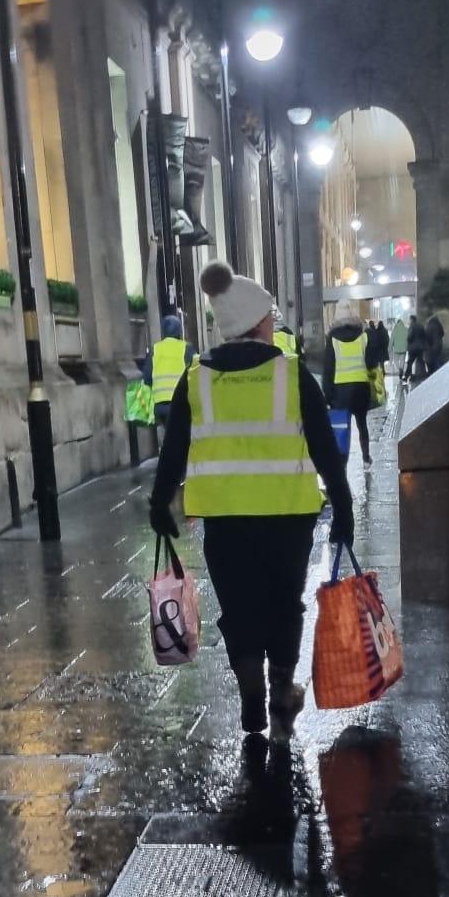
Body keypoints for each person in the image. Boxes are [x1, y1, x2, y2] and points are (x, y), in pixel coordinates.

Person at [150, 262, 354, 743]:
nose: (273, 323)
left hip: (223, 520)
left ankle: (250, 698)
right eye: (270, 317)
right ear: (257, 323)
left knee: (239, 609)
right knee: (285, 606)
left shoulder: (195, 380)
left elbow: (173, 450)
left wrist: (160, 504)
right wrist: (343, 508)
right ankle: (281, 696)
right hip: (288, 517)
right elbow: (327, 451)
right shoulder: (292, 376)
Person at [324, 311, 373, 465]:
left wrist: (328, 394)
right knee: (362, 425)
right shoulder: (363, 336)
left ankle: (342, 465)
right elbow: (371, 363)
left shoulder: (332, 339)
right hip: (361, 388)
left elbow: (328, 368)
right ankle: (366, 458)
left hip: (340, 392)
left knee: (342, 429)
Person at [143, 313, 196, 430]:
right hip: (180, 403)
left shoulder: (155, 349)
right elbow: (196, 373)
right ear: (179, 331)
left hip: (159, 406)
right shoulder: (186, 348)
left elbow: (146, 378)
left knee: (167, 434)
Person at [364, 316, 389, 404]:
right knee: (378, 370)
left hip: (369, 357)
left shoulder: (366, 333)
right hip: (377, 352)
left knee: (371, 375)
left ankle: (372, 395)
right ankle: (379, 397)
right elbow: (386, 339)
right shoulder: (379, 331)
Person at [405, 313, 427, 382]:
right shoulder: (421, 326)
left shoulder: (412, 326)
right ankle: (424, 375)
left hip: (413, 348)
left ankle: (408, 376)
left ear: (411, 319)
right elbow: (424, 335)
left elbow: (409, 337)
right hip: (420, 347)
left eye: (410, 319)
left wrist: (408, 340)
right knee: (421, 361)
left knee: (410, 363)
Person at [389, 312, 408, 376]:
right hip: (404, 348)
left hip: (396, 348)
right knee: (402, 360)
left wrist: (390, 348)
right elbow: (408, 339)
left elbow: (392, 340)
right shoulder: (406, 329)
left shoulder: (395, 330)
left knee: (395, 360)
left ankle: (399, 369)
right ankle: (401, 369)